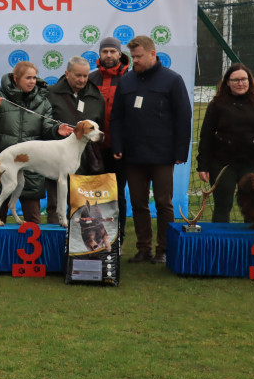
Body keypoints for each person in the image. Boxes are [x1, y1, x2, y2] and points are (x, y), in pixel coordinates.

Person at [110, 35, 192, 265]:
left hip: (162, 154)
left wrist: (180, 153)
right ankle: (143, 248)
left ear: (152, 54)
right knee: (138, 203)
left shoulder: (172, 80)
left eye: (138, 56)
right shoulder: (126, 81)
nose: (134, 60)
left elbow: (183, 118)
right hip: (133, 155)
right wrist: (117, 145)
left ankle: (163, 249)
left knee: (164, 203)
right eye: (133, 57)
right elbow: (116, 118)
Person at [0, 61, 63, 224]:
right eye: (28, 78)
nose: (32, 81)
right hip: (4, 165)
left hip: (32, 168)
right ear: (16, 78)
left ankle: (32, 251)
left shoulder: (43, 102)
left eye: (34, 78)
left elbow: (47, 129)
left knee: (33, 220)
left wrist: (56, 130)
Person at [196, 63, 254, 222]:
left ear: (250, 81)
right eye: (235, 80)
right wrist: (203, 166)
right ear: (227, 82)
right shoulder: (216, 104)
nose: (240, 83)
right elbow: (206, 135)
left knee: (253, 206)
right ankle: (220, 243)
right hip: (223, 163)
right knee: (222, 205)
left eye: (243, 79)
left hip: (253, 162)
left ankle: (251, 244)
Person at [45, 56, 104, 224]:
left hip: (86, 161)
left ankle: (79, 247)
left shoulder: (96, 97)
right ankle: (55, 244)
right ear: (67, 73)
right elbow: (43, 124)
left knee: (83, 207)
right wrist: (55, 130)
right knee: (56, 205)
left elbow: (100, 129)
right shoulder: (51, 93)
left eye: (85, 76)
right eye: (78, 75)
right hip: (57, 158)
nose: (82, 79)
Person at [88, 36, 130, 238]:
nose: (109, 55)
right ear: (100, 54)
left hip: (119, 148)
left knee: (117, 194)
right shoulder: (90, 78)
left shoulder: (128, 79)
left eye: (113, 51)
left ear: (120, 54)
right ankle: (91, 235)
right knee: (92, 194)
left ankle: (118, 238)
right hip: (94, 149)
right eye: (105, 51)